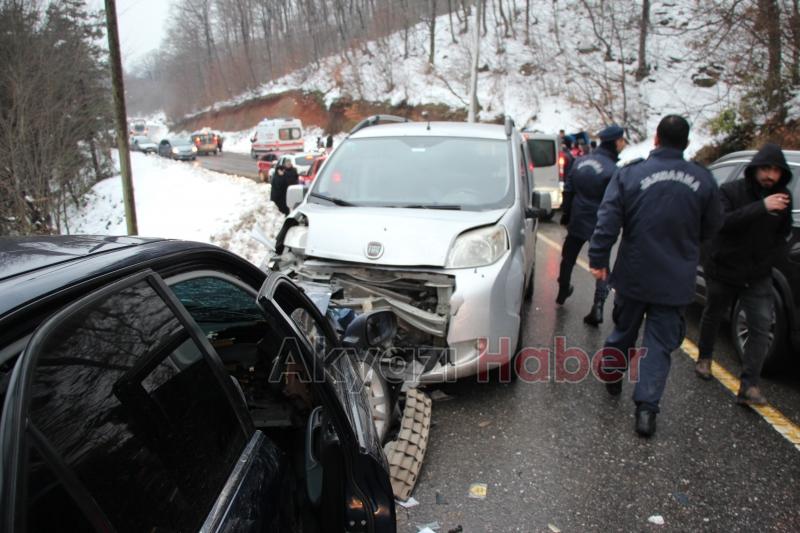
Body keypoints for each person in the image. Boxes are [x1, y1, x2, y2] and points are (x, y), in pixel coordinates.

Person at [589, 115, 722, 437]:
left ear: (656, 140)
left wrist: (598, 259)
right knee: (659, 345)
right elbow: (714, 227)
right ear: (687, 144)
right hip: (676, 279)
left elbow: (608, 219)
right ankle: (646, 410)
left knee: (623, 331)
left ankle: (612, 373)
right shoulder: (703, 180)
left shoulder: (631, 174)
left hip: (635, 274)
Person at [695, 143, 792, 405]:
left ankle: (749, 385)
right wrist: (761, 207)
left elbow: (782, 234)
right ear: (755, 169)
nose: (771, 175)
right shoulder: (731, 190)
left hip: (758, 273)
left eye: (776, 171)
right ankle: (704, 358)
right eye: (766, 169)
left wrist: (769, 259)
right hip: (724, 267)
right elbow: (723, 222)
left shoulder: (783, 198)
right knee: (714, 313)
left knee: (760, 326)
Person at [557, 124, 628, 328]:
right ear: (615, 142)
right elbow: (617, 200)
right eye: (622, 140)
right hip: (601, 222)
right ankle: (597, 306)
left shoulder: (580, 162)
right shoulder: (613, 170)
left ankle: (562, 289)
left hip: (578, 217)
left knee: (568, 255)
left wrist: (567, 215)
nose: (623, 144)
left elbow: (568, 190)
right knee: (601, 263)